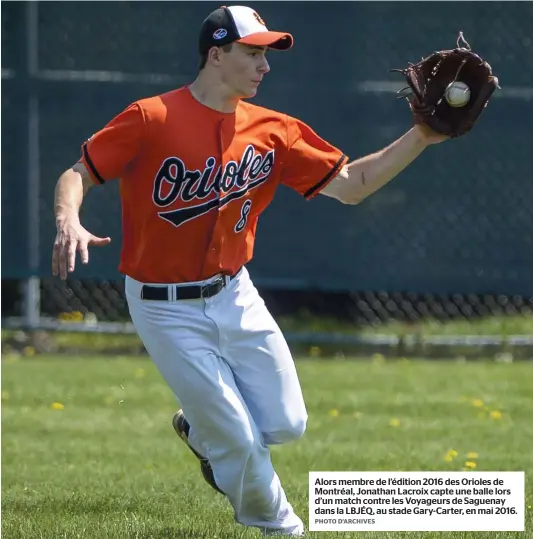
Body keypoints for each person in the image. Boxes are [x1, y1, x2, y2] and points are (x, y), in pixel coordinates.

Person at [52, 5, 446, 536]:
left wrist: (420, 136)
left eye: (266, 54)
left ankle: (199, 429)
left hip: (235, 294)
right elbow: (78, 172)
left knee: (287, 423)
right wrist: (68, 220)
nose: (265, 66)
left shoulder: (274, 130)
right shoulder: (152, 117)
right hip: (163, 307)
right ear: (216, 54)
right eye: (253, 53)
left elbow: (353, 184)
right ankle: (279, 525)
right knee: (237, 437)